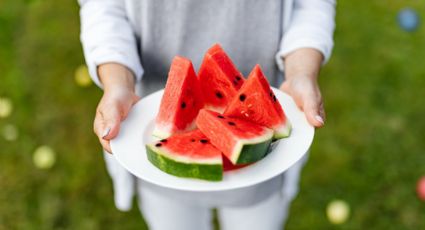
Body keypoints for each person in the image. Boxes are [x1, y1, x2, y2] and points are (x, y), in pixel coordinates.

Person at [78, 0, 335, 229]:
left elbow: (311, 4)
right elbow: (103, 7)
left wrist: (301, 72)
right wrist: (117, 83)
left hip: (264, 163)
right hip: (149, 133)